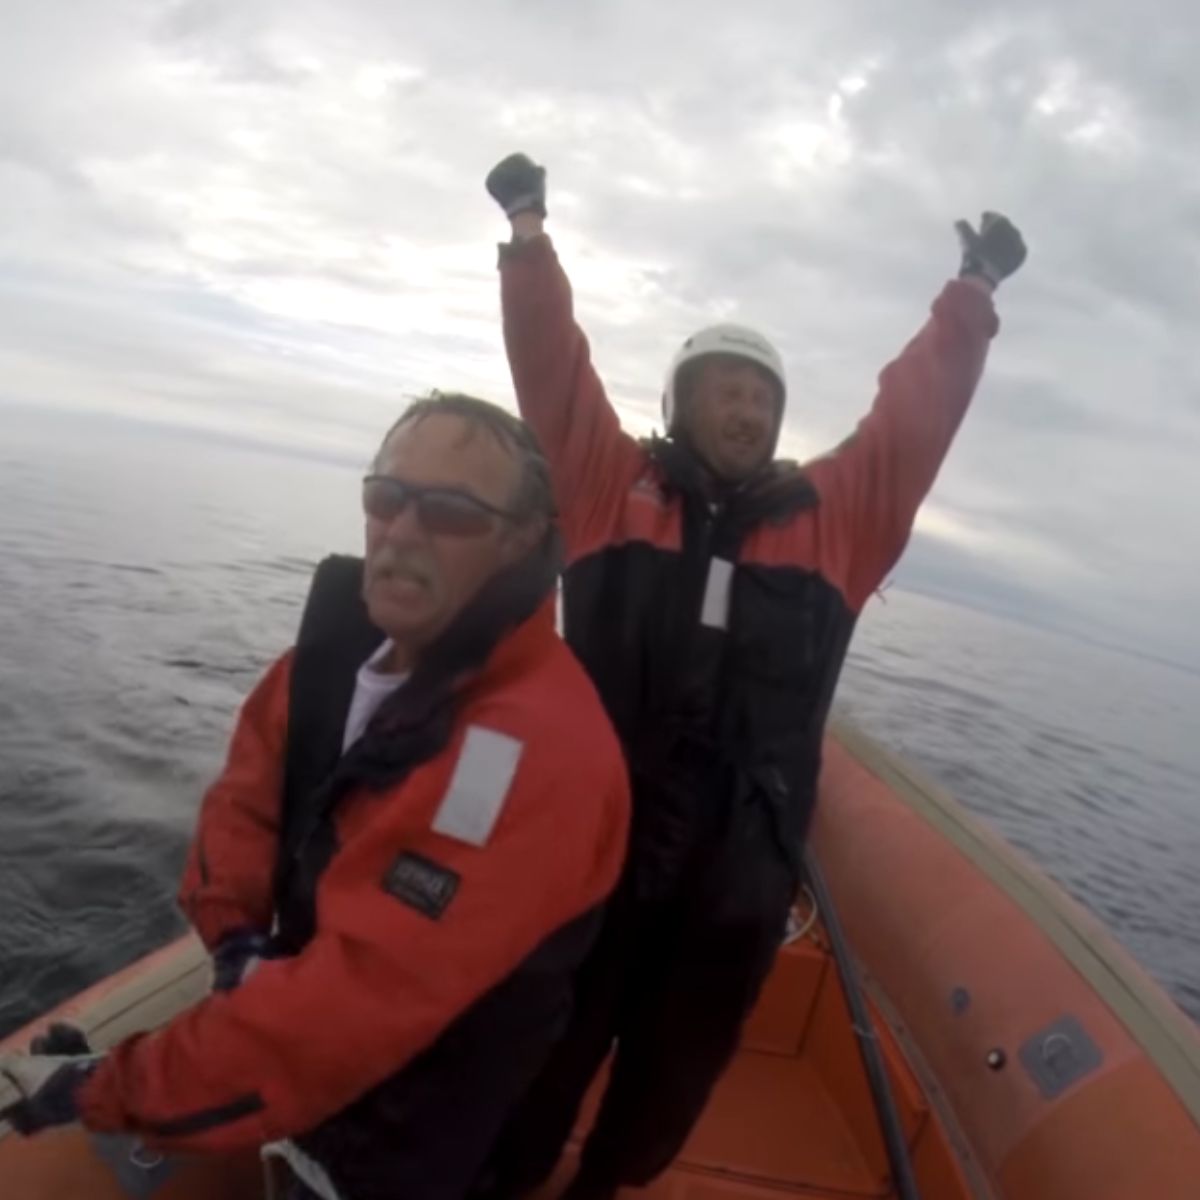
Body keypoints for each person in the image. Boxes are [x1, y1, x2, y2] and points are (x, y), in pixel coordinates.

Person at [475, 153, 1027, 1200]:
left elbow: (915, 421)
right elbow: (552, 367)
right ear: (680, 405)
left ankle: (602, 1189)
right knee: (537, 1064)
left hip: (734, 893)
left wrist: (973, 294)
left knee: (660, 1101)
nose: (744, 410)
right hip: (587, 868)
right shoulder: (605, 488)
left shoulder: (840, 525)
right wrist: (528, 234)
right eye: (722, 391)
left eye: (761, 396)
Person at [0, 394, 631, 1200]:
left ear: (522, 544)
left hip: (412, 1131)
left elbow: (350, 1011)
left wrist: (101, 1089)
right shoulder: (346, 653)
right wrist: (235, 942)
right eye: (387, 498)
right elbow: (249, 797)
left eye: (450, 512)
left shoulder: (535, 754)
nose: (402, 533)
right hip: (303, 1076)